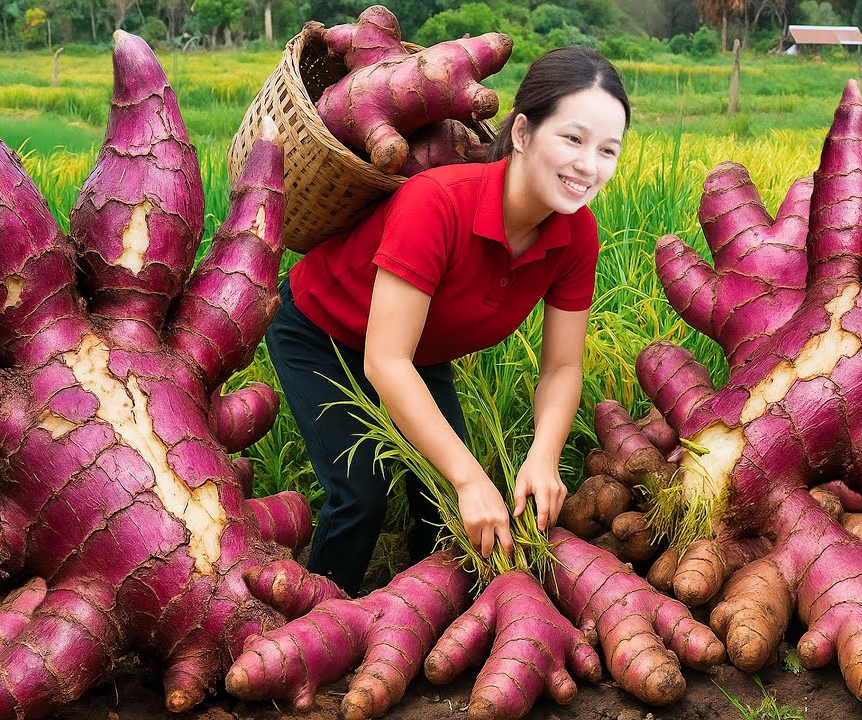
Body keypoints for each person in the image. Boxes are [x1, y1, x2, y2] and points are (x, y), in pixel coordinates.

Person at [266, 45, 631, 596]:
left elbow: (561, 367)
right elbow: (385, 362)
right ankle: (314, 617)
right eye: (573, 139)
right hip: (323, 333)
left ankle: (421, 613)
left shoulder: (577, 234)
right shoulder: (436, 204)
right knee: (361, 494)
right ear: (523, 133)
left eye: (607, 150)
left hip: (419, 351)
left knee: (442, 504)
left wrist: (545, 453)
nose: (588, 166)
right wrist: (469, 477)